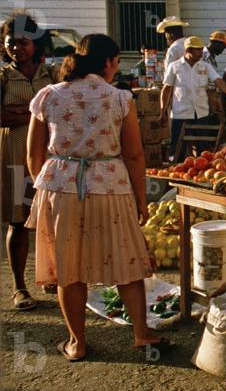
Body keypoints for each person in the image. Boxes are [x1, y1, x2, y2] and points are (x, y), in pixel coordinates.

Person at [26, 34, 171, 361]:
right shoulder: (119, 98)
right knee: (127, 262)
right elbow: (134, 155)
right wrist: (141, 200)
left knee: (69, 269)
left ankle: (77, 343)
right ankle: (142, 334)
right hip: (110, 188)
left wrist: (47, 187)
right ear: (108, 62)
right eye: (116, 62)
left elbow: (33, 155)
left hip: (59, 189)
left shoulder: (47, 96)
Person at [1, 14, 58, 310]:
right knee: (19, 220)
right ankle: (20, 287)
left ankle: (51, 276)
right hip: (15, 158)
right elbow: (3, 116)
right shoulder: (3, 77)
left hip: (49, 159)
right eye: (11, 43)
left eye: (23, 43)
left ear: (35, 44)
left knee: (51, 219)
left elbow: (63, 109)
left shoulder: (52, 76)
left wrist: (20, 110)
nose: (17, 48)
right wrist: (37, 112)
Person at [160, 37, 226, 158]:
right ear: (188, 50)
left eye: (201, 49)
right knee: (177, 150)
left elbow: (219, 81)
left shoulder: (205, 66)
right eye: (198, 50)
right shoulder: (174, 66)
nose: (201, 52)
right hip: (181, 114)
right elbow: (166, 89)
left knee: (203, 150)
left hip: (201, 113)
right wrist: (162, 111)